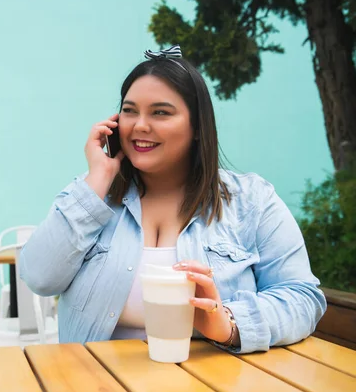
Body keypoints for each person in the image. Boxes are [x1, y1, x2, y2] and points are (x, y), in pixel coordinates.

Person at [19, 45, 327, 353]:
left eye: (161, 112)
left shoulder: (252, 201)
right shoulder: (90, 196)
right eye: (129, 110)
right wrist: (99, 177)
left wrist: (230, 323)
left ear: (196, 127)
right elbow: (39, 277)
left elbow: (302, 297)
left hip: (214, 382)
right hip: (96, 380)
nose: (140, 125)